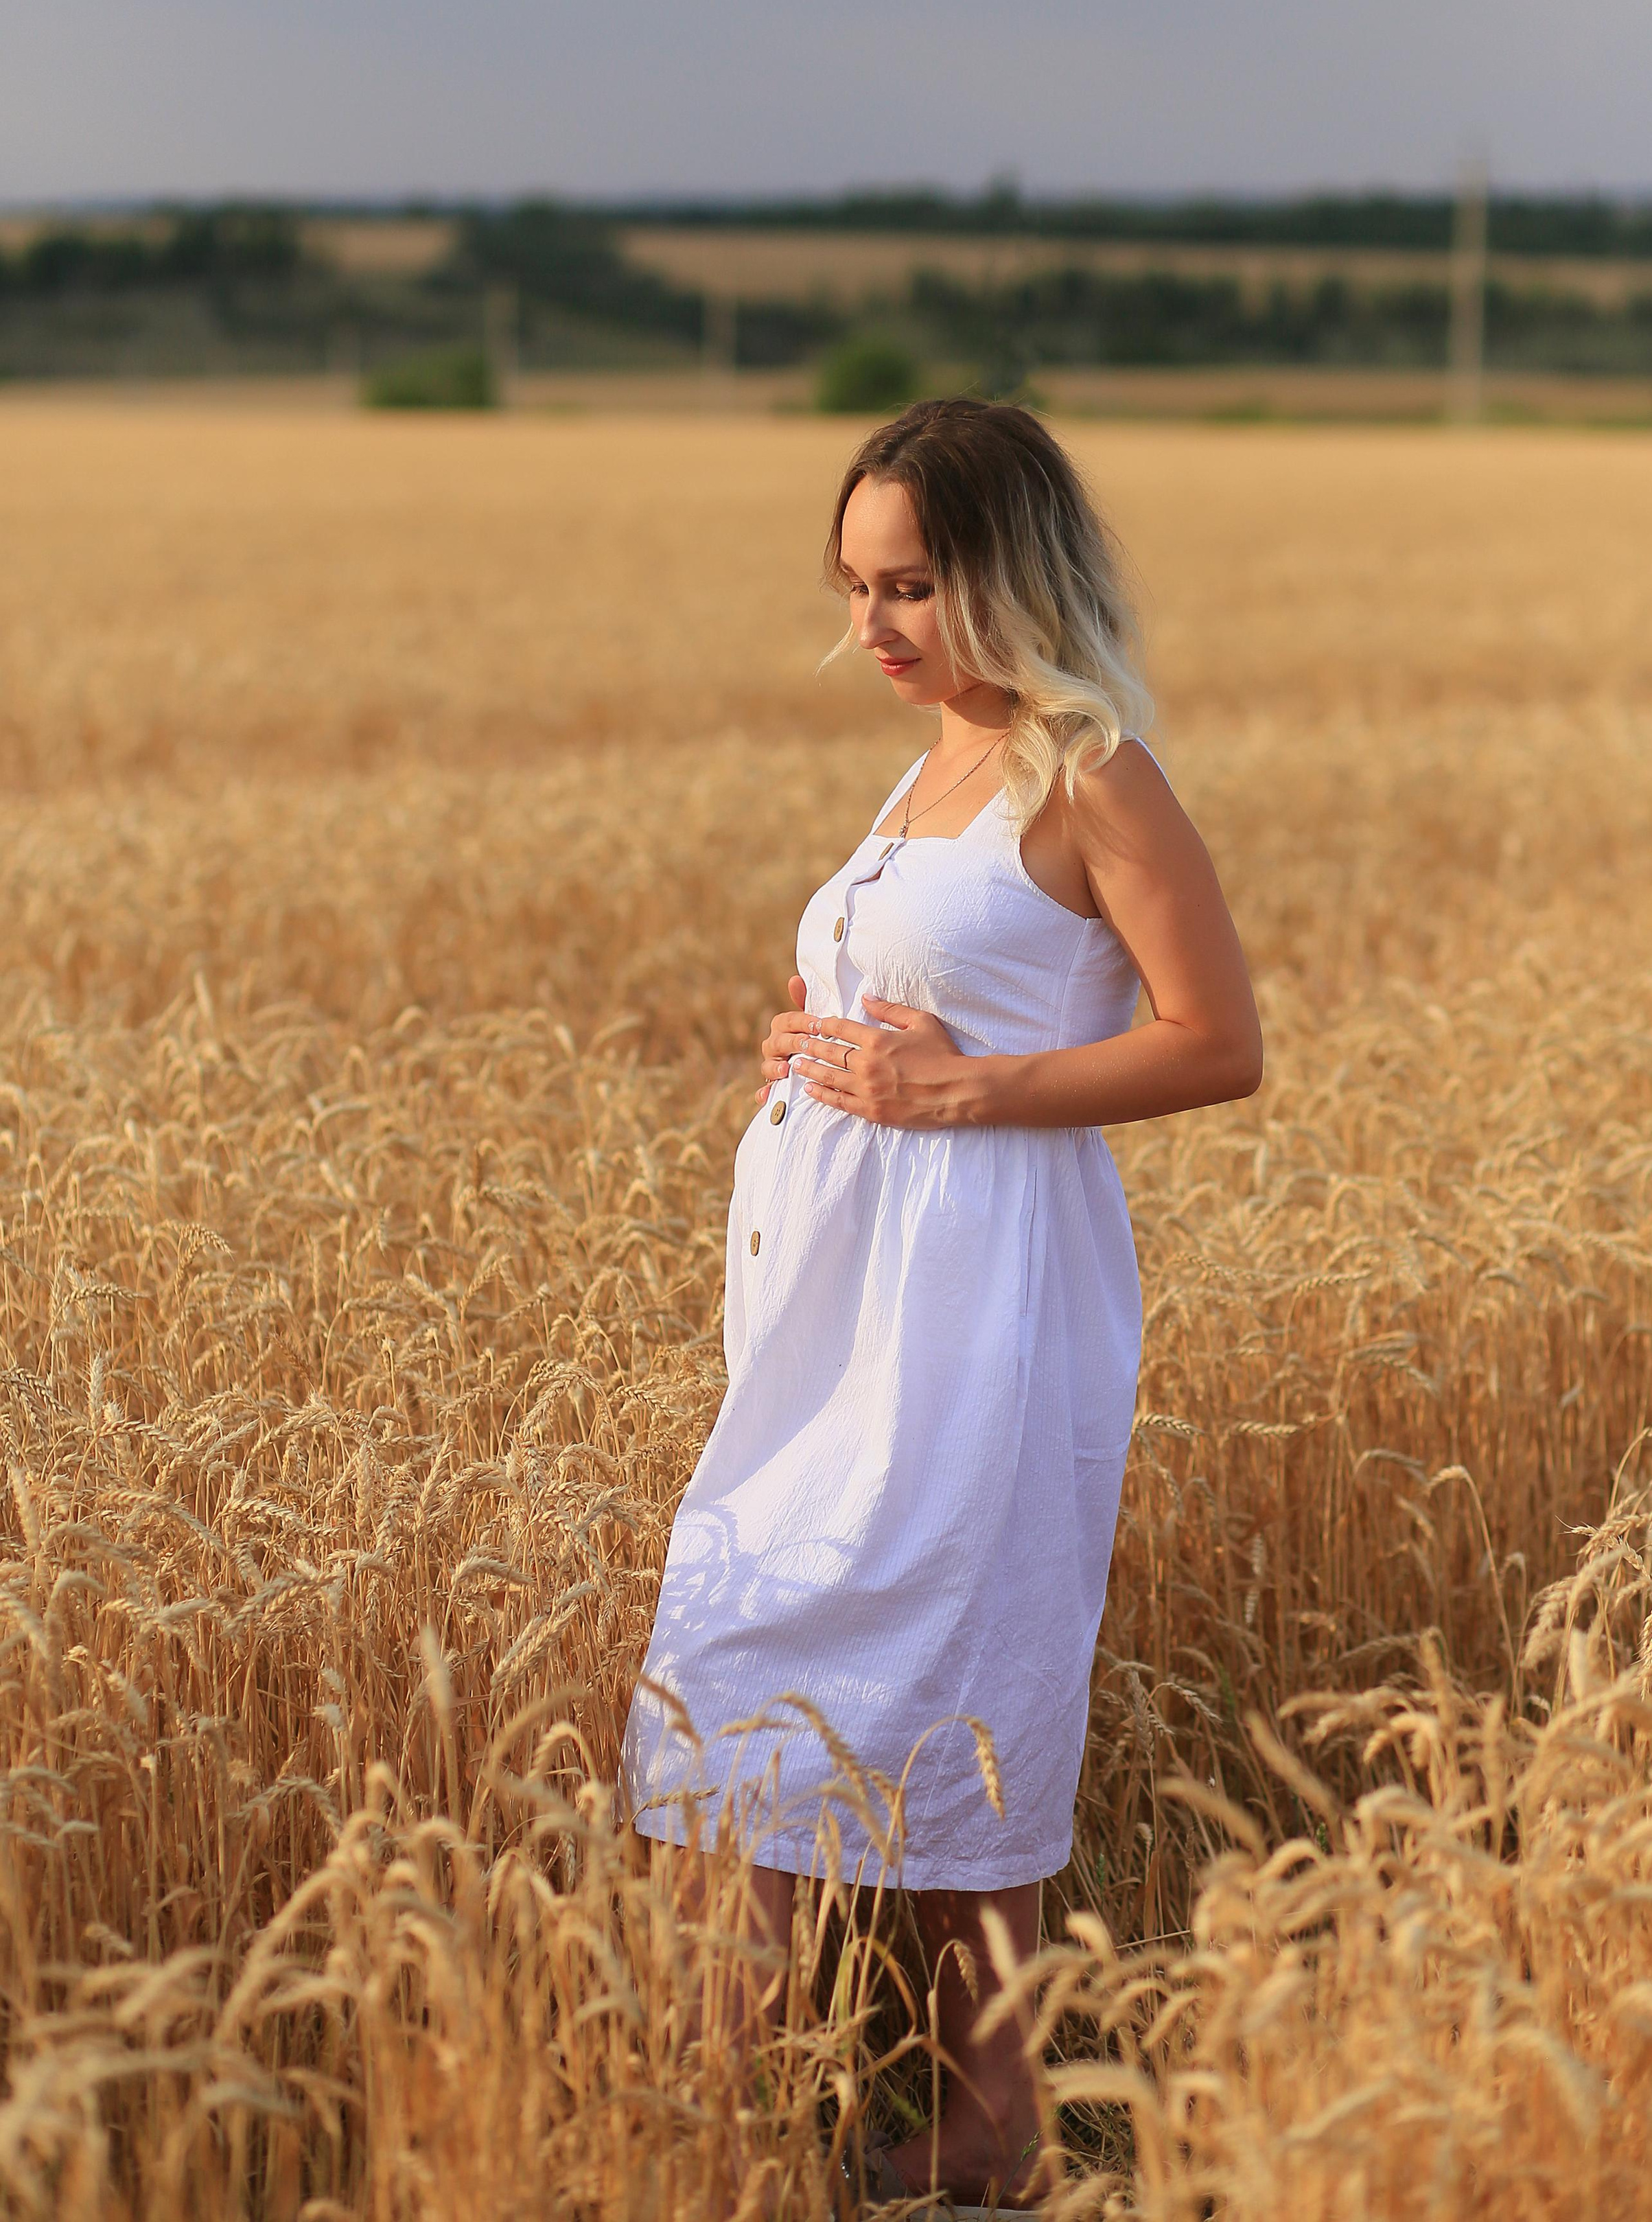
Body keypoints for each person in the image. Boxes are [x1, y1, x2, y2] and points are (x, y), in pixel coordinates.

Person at [620, 398, 1261, 2205]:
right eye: (855, 587)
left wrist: (964, 1091)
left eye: (912, 584)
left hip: (983, 1306)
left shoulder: (1091, 769)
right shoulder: (919, 779)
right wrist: (816, 1044)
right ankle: (738, 2127)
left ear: (1004, 570)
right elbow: (922, 994)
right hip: (835, 1315)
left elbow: (1217, 1041)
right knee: (739, 1664)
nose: (877, 625)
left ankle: (975, 2123)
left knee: (961, 1680)